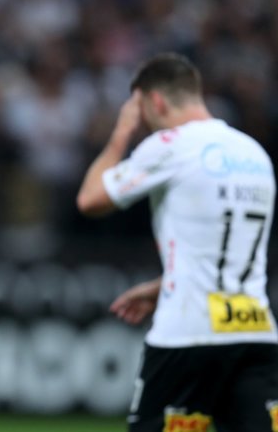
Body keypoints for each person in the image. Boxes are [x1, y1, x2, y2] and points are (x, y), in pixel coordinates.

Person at [77, 53, 278, 431]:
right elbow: (230, 251)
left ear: (154, 102)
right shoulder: (254, 153)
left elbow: (90, 200)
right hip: (255, 333)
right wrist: (162, 286)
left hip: (189, 335)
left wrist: (121, 132)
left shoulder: (170, 145)